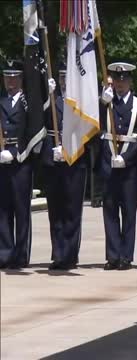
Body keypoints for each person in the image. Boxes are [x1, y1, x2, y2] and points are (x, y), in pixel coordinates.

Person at [0, 59, 48, 269]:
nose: (10, 81)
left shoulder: (29, 104)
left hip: (21, 161)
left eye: (14, 77)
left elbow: (32, 131)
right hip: (2, 160)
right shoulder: (1, 101)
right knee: (3, 210)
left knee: (21, 210)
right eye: (7, 77)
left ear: (21, 79)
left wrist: (16, 152)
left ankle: (20, 255)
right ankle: (4, 253)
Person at [42, 61, 88, 270]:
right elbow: (37, 121)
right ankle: (58, 253)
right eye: (61, 77)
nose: (63, 81)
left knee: (72, 209)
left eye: (65, 76)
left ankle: (70, 254)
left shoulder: (80, 101)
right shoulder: (51, 99)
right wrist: (46, 98)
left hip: (74, 158)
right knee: (56, 209)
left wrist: (69, 148)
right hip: (53, 157)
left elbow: (87, 129)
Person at [99, 62, 137, 271]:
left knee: (129, 212)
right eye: (117, 80)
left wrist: (127, 158)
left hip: (129, 167)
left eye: (123, 80)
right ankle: (112, 255)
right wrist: (101, 103)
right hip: (109, 164)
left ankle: (126, 256)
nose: (120, 84)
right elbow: (95, 128)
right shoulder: (106, 104)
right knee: (109, 212)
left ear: (130, 81)